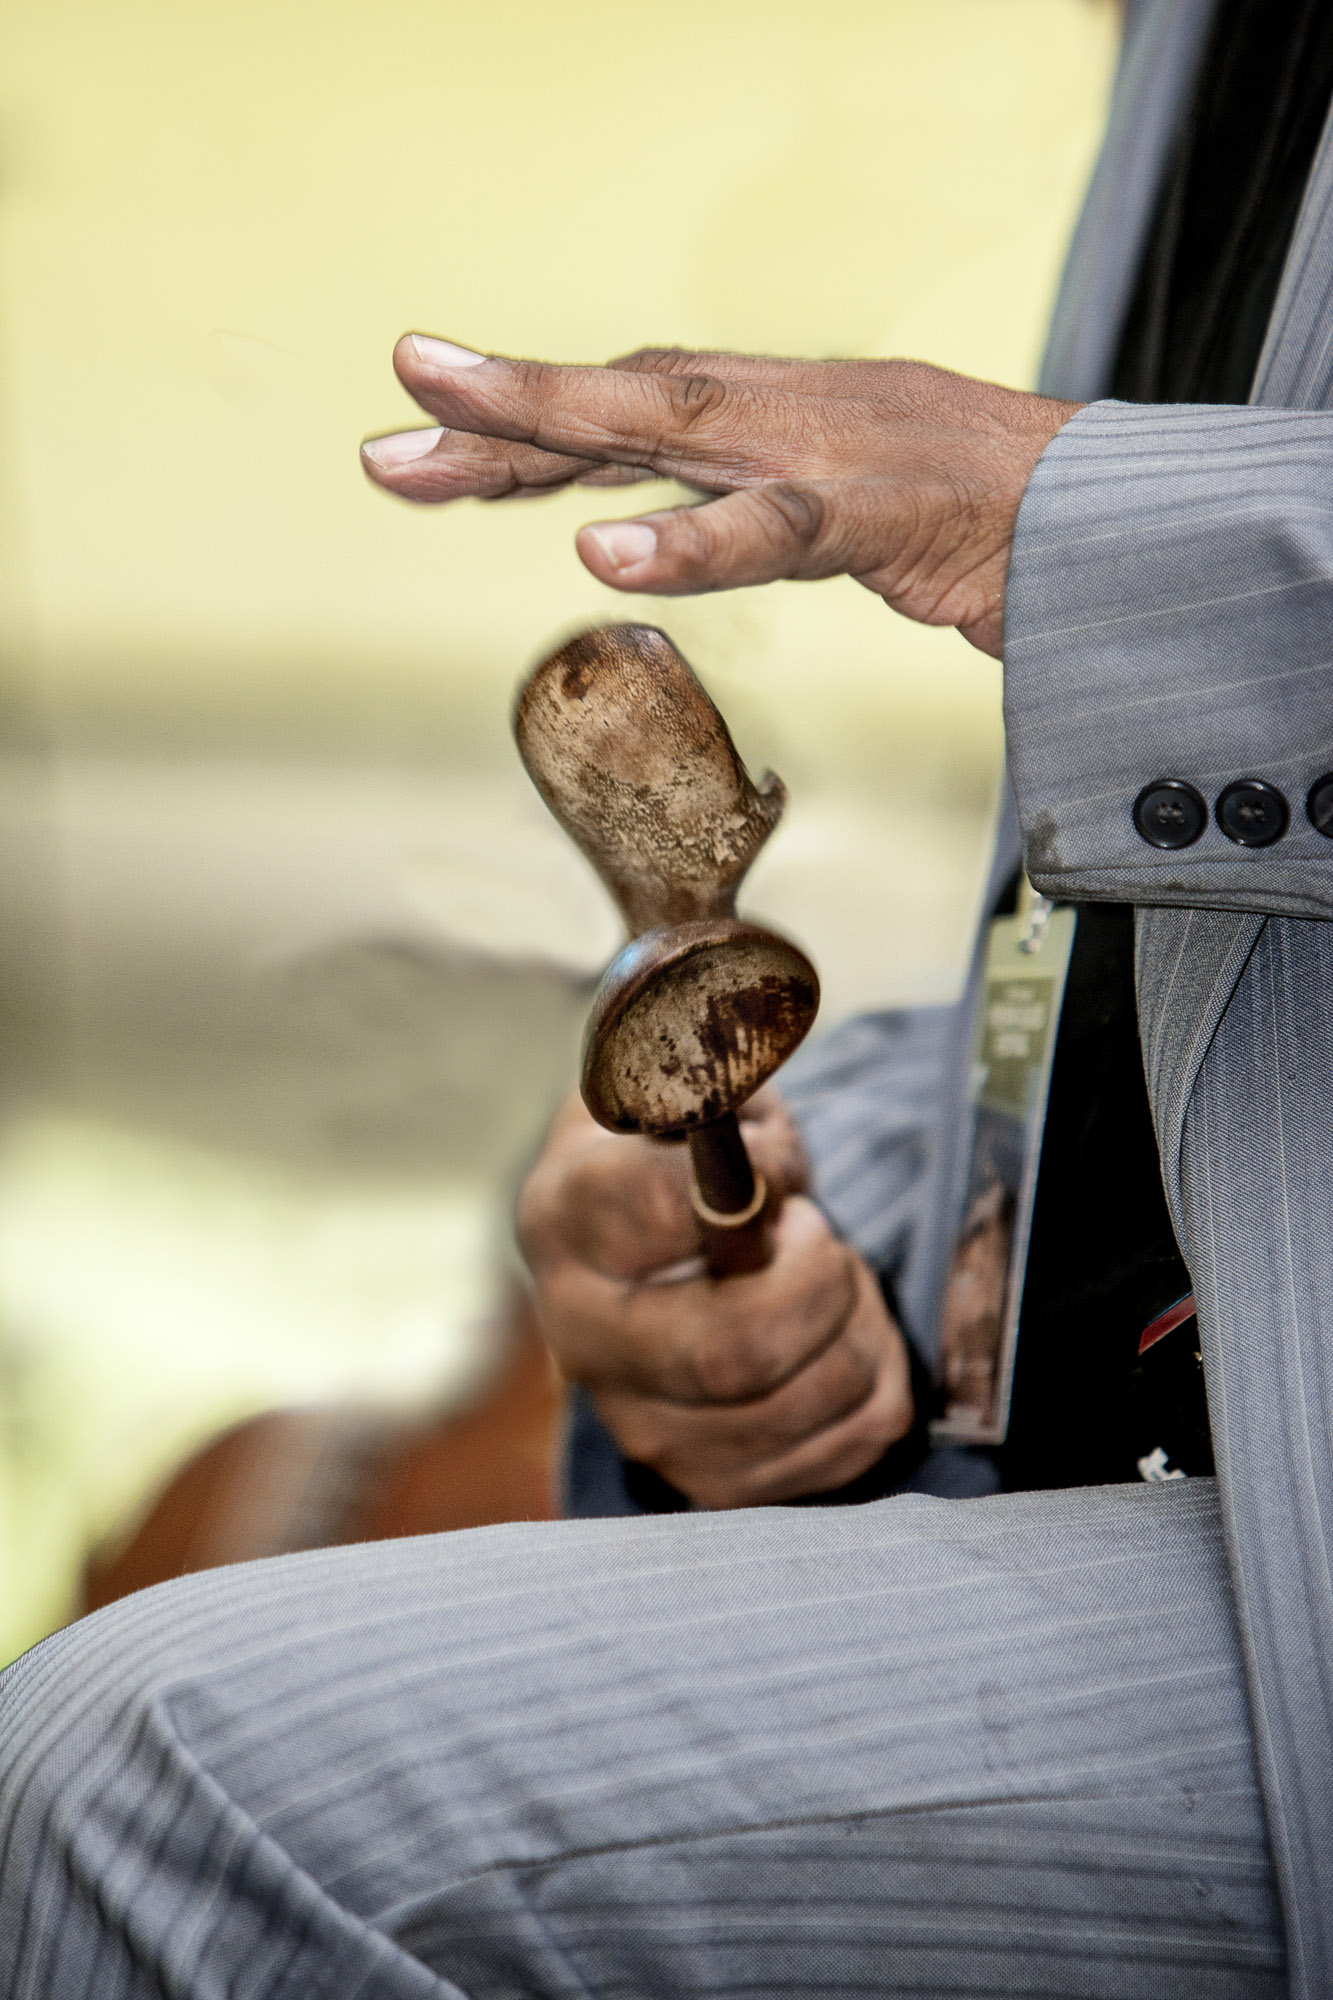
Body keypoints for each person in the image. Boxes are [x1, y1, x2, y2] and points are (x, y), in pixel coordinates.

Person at [2, 1, 1331, 1993]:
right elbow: (1167, 961)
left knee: (156, 1772)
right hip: (1170, 1464)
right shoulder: (1185, 46)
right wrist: (855, 1249)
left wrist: (1065, 510)